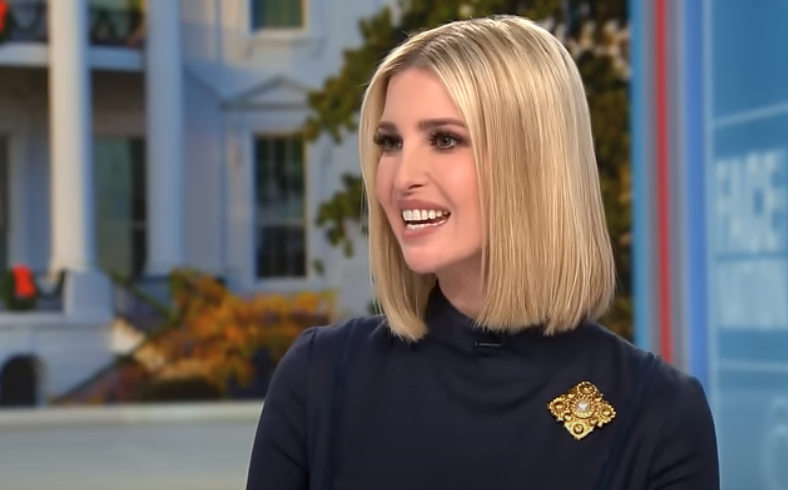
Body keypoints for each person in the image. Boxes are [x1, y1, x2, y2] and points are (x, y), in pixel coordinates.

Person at [246, 15, 719, 490]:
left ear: (533, 161)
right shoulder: (319, 379)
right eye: (391, 143)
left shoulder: (657, 414)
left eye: (444, 140)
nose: (402, 177)